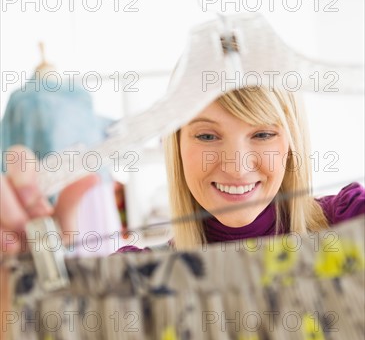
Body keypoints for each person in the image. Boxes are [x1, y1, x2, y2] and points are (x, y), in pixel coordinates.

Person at [1, 85, 364, 255]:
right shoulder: (134, 284)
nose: (236, 166)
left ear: (291, 142)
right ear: (175, 146)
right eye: (206, 135)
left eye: (263, 133)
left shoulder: (352, 222)